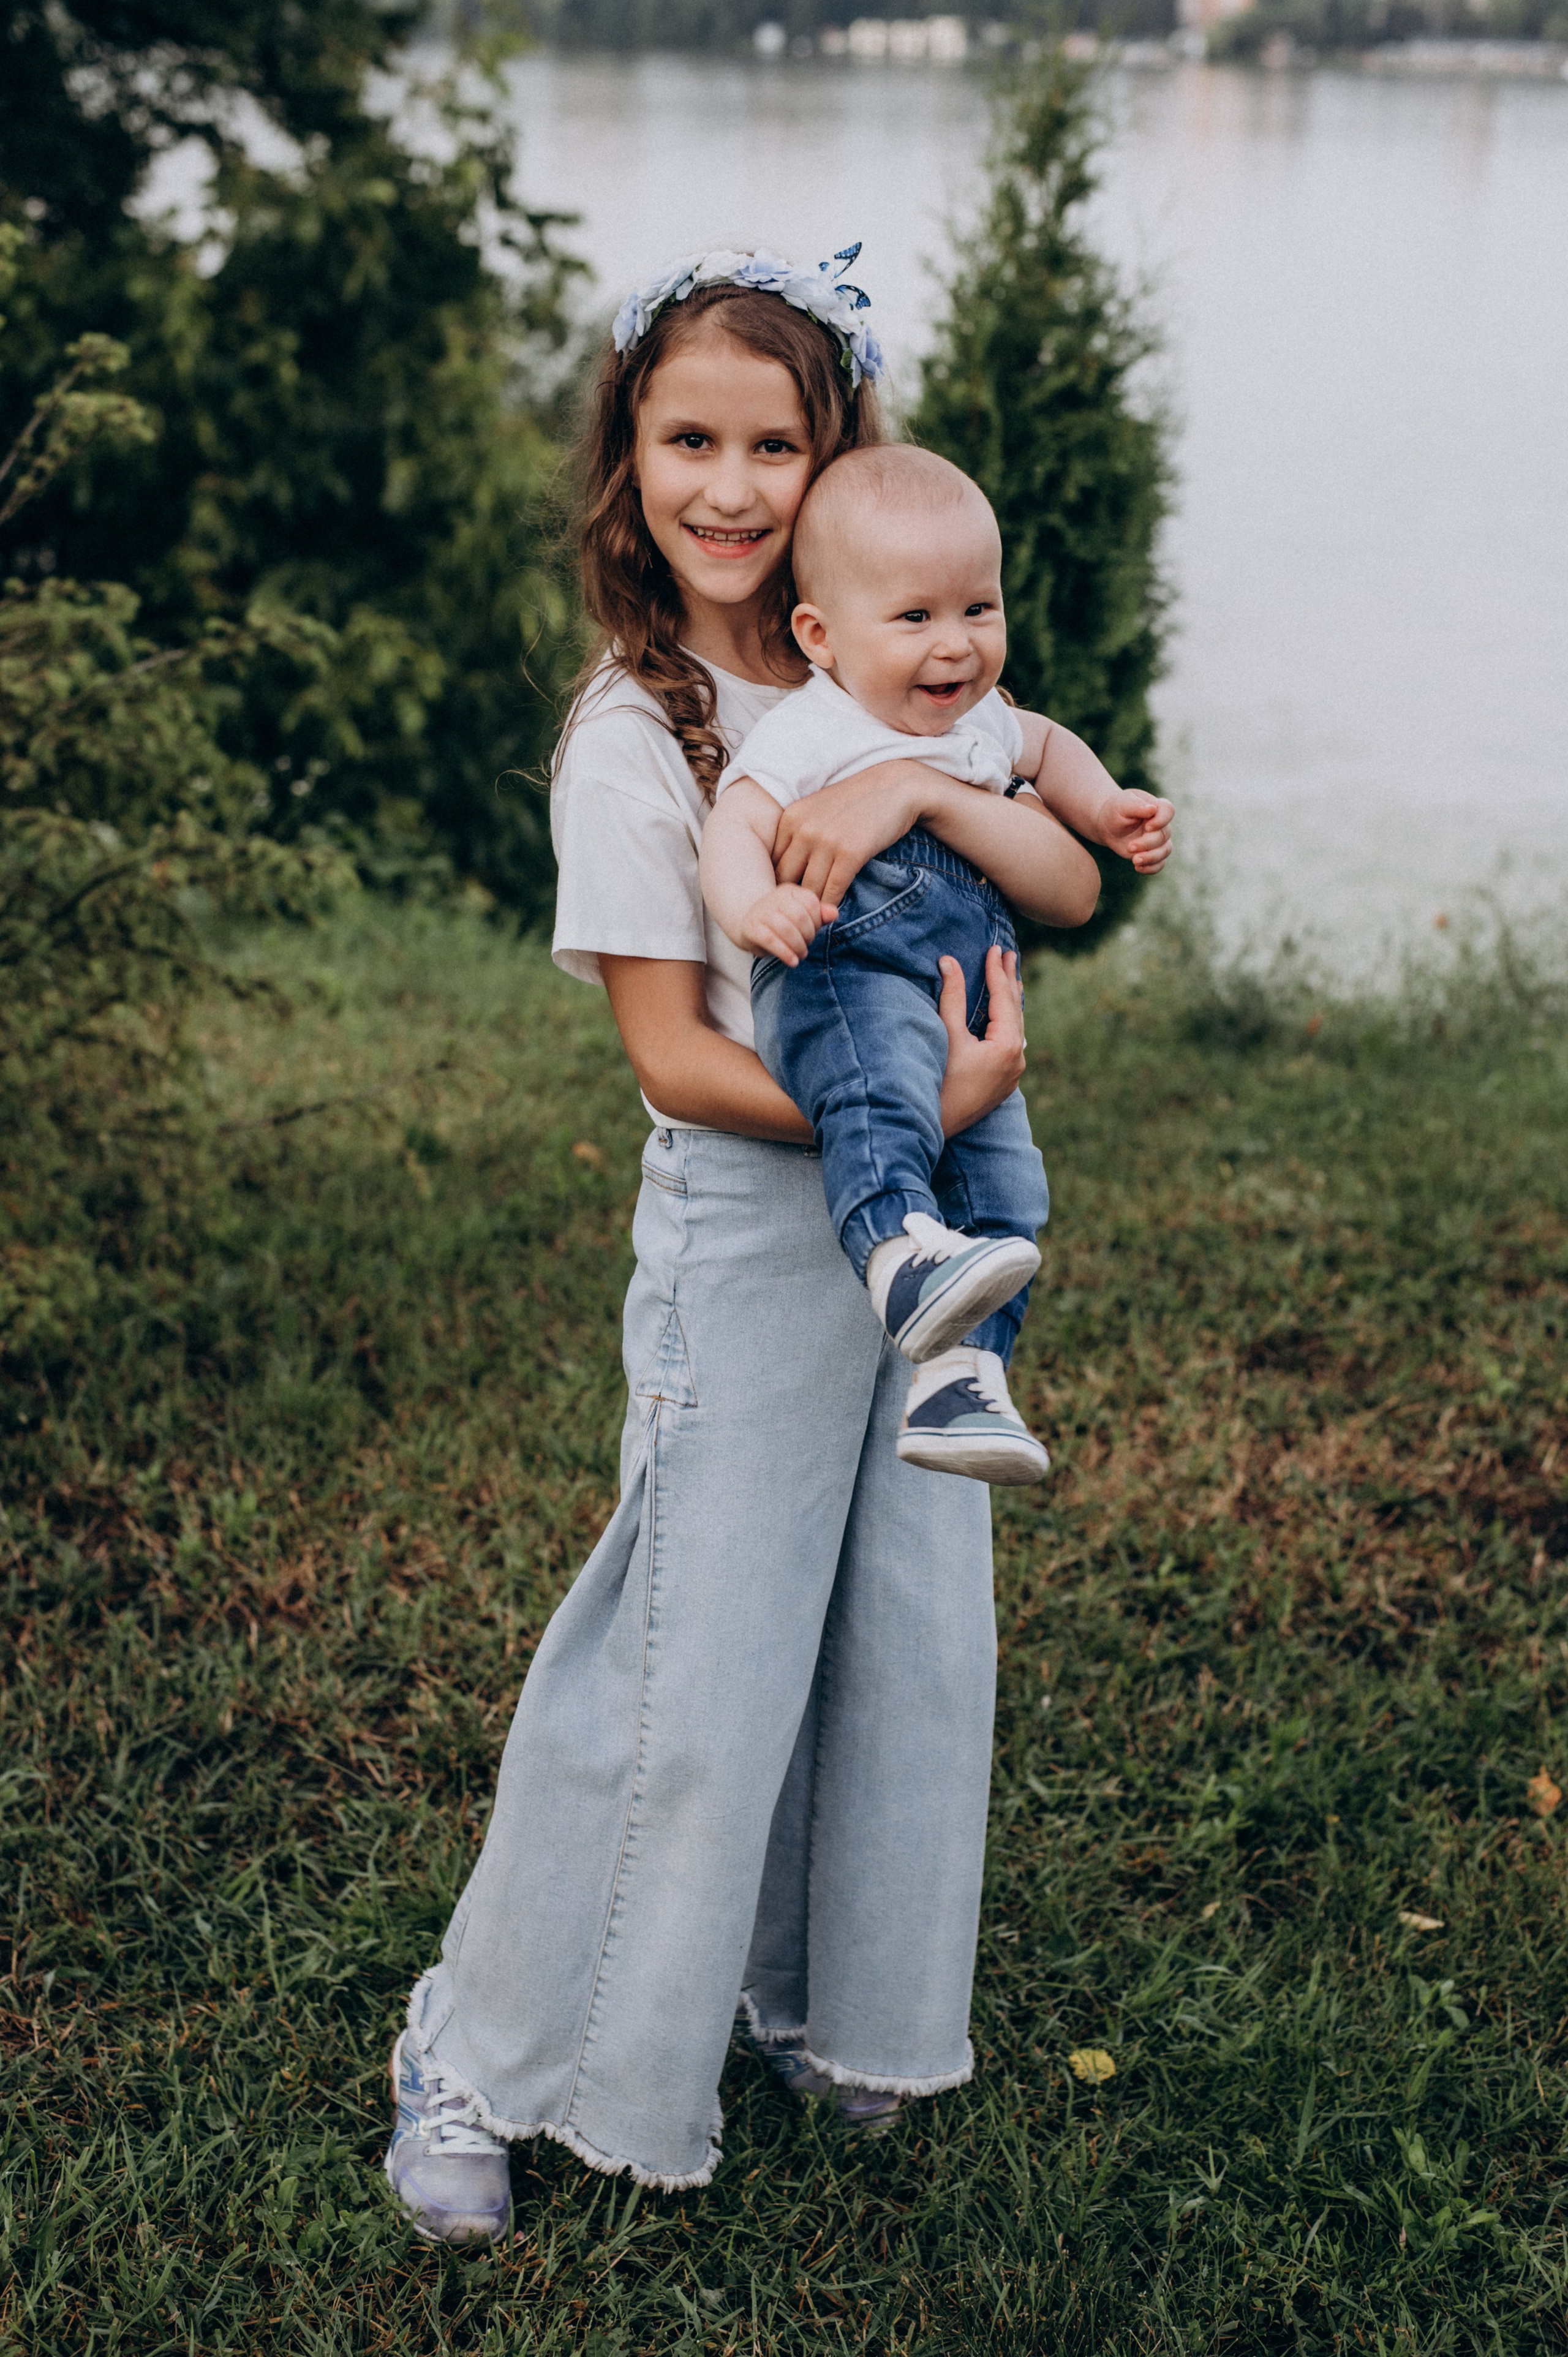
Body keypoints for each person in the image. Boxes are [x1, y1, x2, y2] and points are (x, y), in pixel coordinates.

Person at [382, 246, 1112, 2246]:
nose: (728, 484)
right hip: (756, 1219)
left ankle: (822, 2000)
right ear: (628, 458)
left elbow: (1048, 863)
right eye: (686, 439)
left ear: (836, 457)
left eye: (773, 444)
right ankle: (477, 2051)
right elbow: (676, 1059)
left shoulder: (891, 673)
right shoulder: (641, 732)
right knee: (695, 1649)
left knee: (897, 1625)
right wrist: (917, 1112)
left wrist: (946, 795)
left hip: (923, 1235)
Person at [700, 443, 1172, 1485]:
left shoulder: (983, 725)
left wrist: (1106, 809)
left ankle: (964, 1383)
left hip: (966, 1008)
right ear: (821, 637)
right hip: (849, 970)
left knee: (1007, 1190)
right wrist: (754, 906)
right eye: (914, 617)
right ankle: (895, 1255)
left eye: (978, 609)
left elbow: (1051, 749)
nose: (955, 643)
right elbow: (736, 824)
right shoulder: (815, 729)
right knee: (878, 1103)